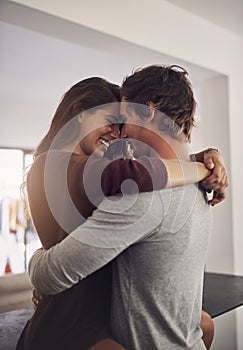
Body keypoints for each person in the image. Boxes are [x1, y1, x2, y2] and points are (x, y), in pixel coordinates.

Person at [26, 66, 228, 349]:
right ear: (80, 113)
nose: (119, 133)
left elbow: (138, 169)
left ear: (146, 111)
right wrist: (199, 167)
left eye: (122, 120)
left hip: (99, 306)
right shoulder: (54, 163)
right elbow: (130, 173)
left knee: (205, 323)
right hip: (75, 310)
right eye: (111, 120)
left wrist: (204, 159)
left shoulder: (133, 181)